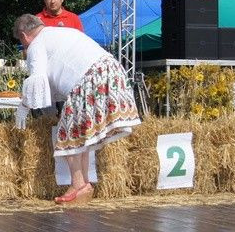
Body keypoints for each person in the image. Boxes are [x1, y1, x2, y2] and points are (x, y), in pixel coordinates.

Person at [12, 14, 140, 204]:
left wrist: (24, 105)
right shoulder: (62, 32)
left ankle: (78, 184)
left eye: (21, 41)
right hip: (110, 71)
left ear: (24, 35)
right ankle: (83, 184)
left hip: (89, 79)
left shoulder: (36, 45)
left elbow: (39, 79)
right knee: (82, 133)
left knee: (68, 132)